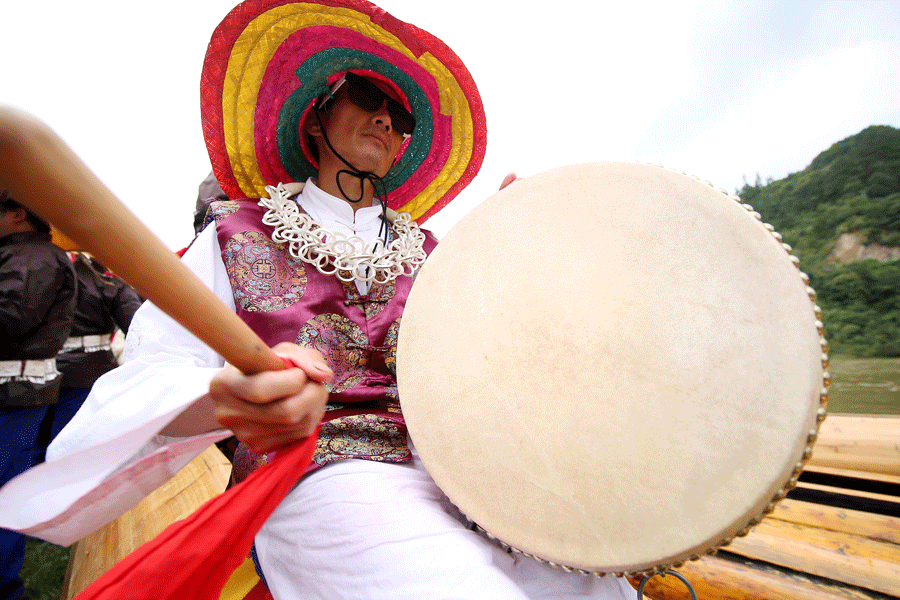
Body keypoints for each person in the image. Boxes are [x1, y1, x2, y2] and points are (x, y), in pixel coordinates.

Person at [0, 1, 633, 599]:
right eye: (368, 96)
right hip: (326, 473)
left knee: (598, 585)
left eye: (402, 114)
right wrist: (223, 398)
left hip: (471, 475)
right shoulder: (235, 234)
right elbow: (149, 376)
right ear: (315, 115)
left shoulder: (436, 253)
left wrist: (509, 257)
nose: (387, 118)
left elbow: (495, 368)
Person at [0, 190, 76, 600]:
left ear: (17, 213)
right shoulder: (21, 256)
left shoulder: (32, 258)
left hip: (14, 391)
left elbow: (10, 318)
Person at [32, 252, 142, 464]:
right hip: (89, 373)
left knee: (34, 444)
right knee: (72, 444)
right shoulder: (107, 280)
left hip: (35, 372)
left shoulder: (35, 270)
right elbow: (137, 328)